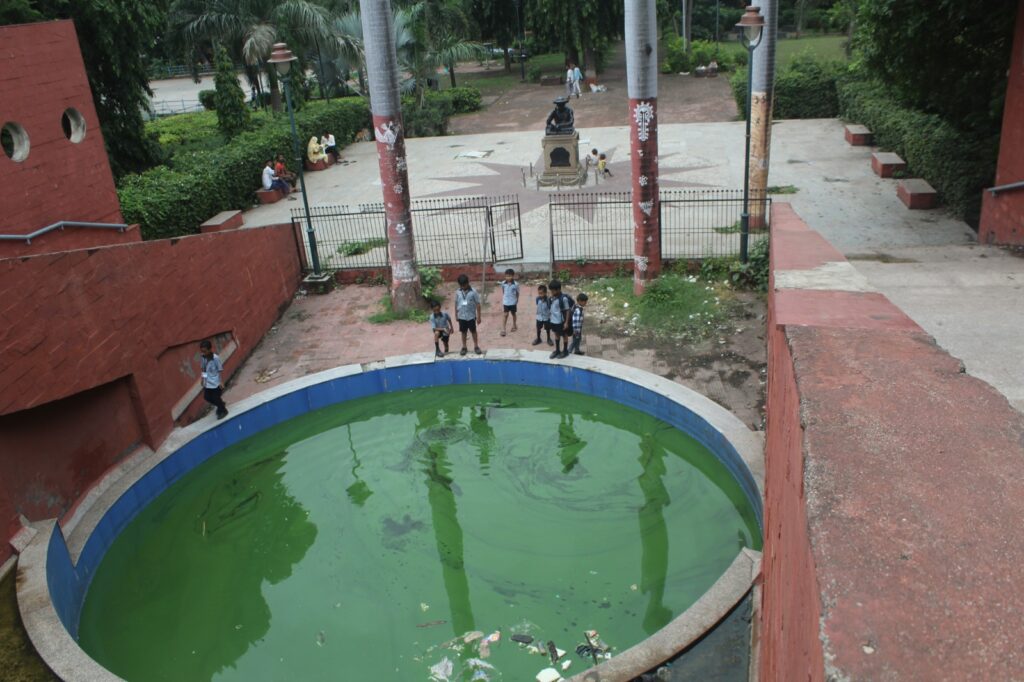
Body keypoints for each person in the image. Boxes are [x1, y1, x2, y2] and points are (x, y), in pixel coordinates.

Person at [199, 340, 229, 419]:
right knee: (207, 397)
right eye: (202, 351)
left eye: (205, 351)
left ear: (209, 350)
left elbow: (219, 370)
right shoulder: (203, 358)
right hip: (207, 382)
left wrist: (221, 382)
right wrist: (203, 379)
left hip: (216, 382)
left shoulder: (215, 358)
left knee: (216, 398)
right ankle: (220, 405)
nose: (203, 353)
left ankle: (223, 410)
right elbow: (204, 369)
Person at [454, 274, 483, 356]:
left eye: (464, 285)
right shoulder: (458, 292)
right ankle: (464, 347)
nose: (463, 287)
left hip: (471, 316)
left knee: (473, 331)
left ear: (468, 283)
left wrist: (479, 317)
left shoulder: (473, 292)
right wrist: (456, 314)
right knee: (463, 332)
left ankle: (476, 346)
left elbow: (478, 304)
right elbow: (456, 303)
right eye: (461, 285)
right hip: (461, 316)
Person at [546, 280, 574, 359]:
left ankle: (565, 351)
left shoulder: (563, 299)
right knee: (556, 334)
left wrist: (566, 322)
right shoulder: (552, 298)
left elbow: (567, 310)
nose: (551, 292)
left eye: (553, 290)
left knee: (564, 335)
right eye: (550, 290)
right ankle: (557, 350)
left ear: (558, 290)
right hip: (553, 321)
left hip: (561, 321)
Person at [565, 293, 588, 357]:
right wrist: (576, 330)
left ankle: (577, 350)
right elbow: (575, 321)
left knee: (578, 339)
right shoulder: (578, 310)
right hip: (576, 329)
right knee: (575, 340)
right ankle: (568, 351)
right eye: (584, 301)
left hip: (578, 329)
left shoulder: (577, 307)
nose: (586, 303)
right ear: (580, 301)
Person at [500, 268, 519, 337]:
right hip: (506, 302)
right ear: (505, 276)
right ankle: (503, 329)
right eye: (507, 276)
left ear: (513, 276)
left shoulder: (516, 284)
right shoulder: (503, 283)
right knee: (505, 314)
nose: (508, 277)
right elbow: (503, 291)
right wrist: (505, 298)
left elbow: (517, 293)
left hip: (513, 302)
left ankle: (514, 325)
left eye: (510, 276)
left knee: (513, 314)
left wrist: (517, 300)